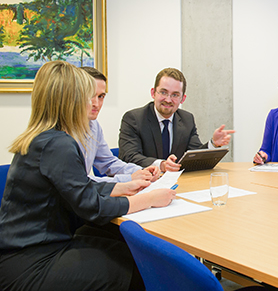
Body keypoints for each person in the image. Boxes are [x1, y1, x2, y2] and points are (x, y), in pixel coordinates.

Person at [0, 61, 176, 291]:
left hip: (28, 248)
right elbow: (91, 207)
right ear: (69, 100)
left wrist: (122, 188)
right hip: (32, 260)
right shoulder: (58, 144)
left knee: (123, 248)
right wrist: (148, 200)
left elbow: (77, 187)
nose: (93, 102)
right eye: (87, 95)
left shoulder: (43, 137)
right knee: (140, 264)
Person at [119, 67, 235, 172]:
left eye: (175, 95)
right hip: (144, 184)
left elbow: (194, 155)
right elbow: (129, 156)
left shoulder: (187, 119)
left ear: (182, 99)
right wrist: (161, 165)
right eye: (163, 92)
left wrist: (213, 144)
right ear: (153, 93)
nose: (168, 100)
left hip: (179, 185)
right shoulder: (133, 119)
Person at [80, 67, 160, 183]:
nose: (96, 104)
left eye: (101, 96)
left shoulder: (94, 126)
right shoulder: (60, 133)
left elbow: (108, 162)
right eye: (90, 95)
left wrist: (141, 171)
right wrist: (128, 179)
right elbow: (80, 181)